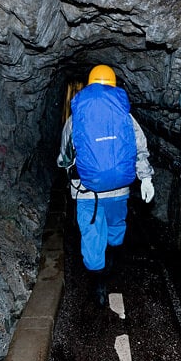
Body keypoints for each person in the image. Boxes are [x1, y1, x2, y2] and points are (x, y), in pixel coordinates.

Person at [57, 64, 155, 307]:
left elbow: (65, 157)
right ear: (114, 86)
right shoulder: (125, 115)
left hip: (87, 192)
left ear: (90, 85)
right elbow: (140, 148)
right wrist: (146, 178)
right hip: (119, 190)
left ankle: (98, 283)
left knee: (92, 238)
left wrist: (69, 167)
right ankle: (111, 262)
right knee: (115, 229)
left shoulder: (76, 117)